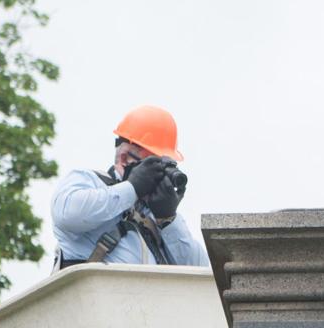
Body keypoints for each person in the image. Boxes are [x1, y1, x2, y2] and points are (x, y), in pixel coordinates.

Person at [51, 105, 209, 268]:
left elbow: (202, 272)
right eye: (154, 164)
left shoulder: (154, 217)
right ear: (125, 158)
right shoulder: (88, 181)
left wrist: (168, 219)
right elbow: (68, 216)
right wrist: (132, 188)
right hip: (95, 292)